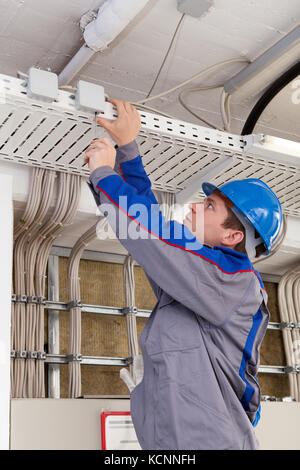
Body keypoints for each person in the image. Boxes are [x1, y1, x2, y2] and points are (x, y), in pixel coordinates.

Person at [84, 99, 283, 450]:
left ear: (233, 236)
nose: (193, 205)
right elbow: (151, 234)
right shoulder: (197, 277)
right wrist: (127, 152)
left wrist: (104, 173)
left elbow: (152, 235)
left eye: (209, 207)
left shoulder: (232, 279)